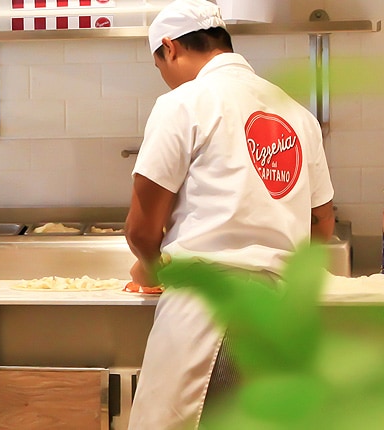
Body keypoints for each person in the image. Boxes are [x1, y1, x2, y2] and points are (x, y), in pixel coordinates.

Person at [124, 0, 336, 428]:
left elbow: (142, 229)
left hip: (207, 316)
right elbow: (321, 225)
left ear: (170, 48)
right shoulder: (298, 113)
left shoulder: (183, 103)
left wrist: (153, 270)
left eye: (159, 66)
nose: (164, 79)